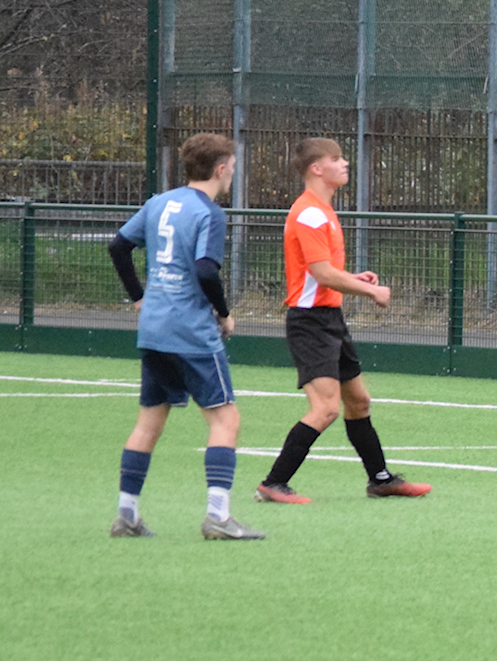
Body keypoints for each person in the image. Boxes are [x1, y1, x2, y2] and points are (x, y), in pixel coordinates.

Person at [253, 136, 430, 506]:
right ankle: (273, 483)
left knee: (359, 402)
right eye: (337, 158)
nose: (345, 163)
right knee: (326, 408)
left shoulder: (324, 209)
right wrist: (370, 292)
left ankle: (380, 479)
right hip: (310, 323)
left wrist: (355, 279)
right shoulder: (311, 213)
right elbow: (322, 275)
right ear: (317, 168)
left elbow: (327, 272)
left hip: (329, 318)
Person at [105, 132, 263, 540]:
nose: (232, 174)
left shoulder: (160, 203)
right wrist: (225, 314)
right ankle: (218, 516)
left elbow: (119, 247)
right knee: (226, 418)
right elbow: (206, 270)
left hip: (154, 328)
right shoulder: (209, 213)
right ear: (220, 168)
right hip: (190, 330)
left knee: (148, 423)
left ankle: (127, 515)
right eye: (231, 166)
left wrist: (139, 298)